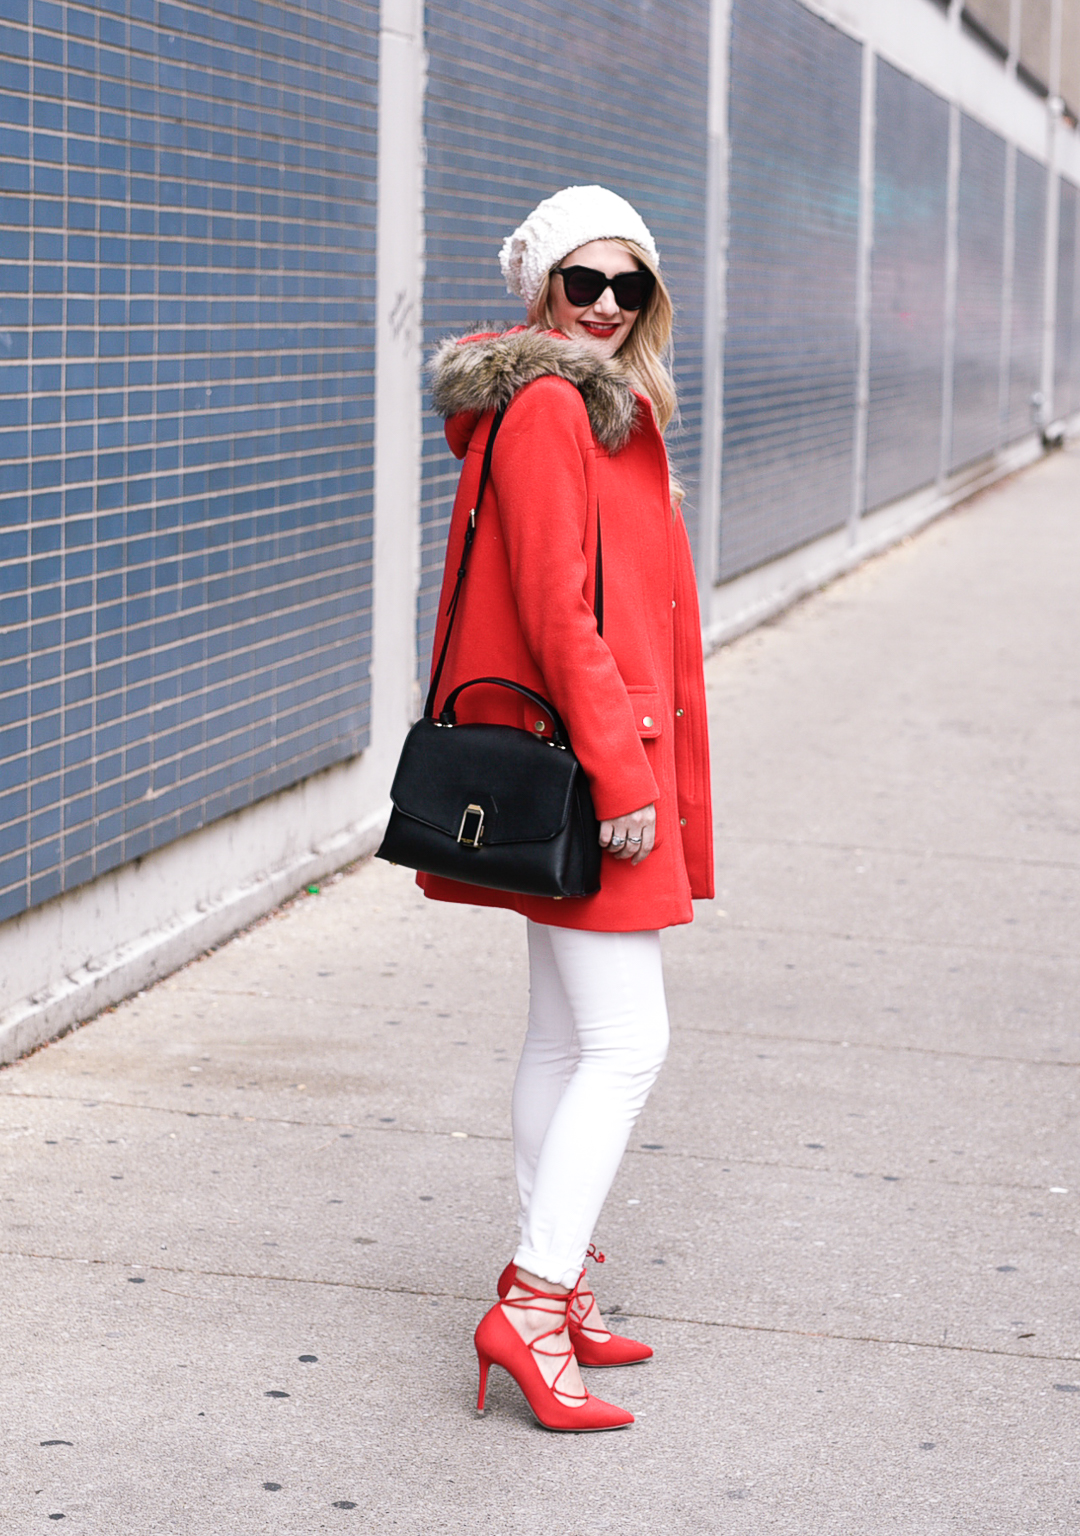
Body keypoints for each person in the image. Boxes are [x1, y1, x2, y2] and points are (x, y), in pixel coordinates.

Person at [423, 185, 713, 1431]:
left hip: (589, 753)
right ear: (539, 289)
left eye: (626, 285)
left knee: (561, 1036)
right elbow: (558, 612)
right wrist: (626, 775)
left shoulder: (595, 410)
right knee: (628, 1045)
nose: (603, 305)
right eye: (579, 282)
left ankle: (548, 1270)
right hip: (598, 764)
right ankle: (535, 1308)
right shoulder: (550, 408)